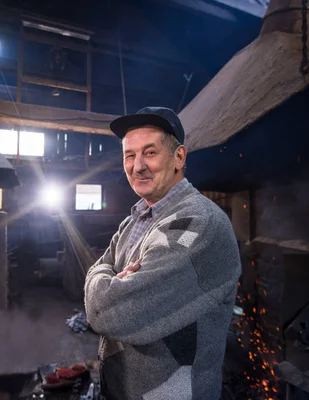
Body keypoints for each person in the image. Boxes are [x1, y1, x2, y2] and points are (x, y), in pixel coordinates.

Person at [84, 107, 241, 400]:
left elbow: (111, 311)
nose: (137, 166)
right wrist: (107, 278)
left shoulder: (196, 223)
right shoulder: (138, 217)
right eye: (129, 155)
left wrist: (106, 282)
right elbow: (100, 270)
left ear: (179, 157)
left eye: (150, 152)